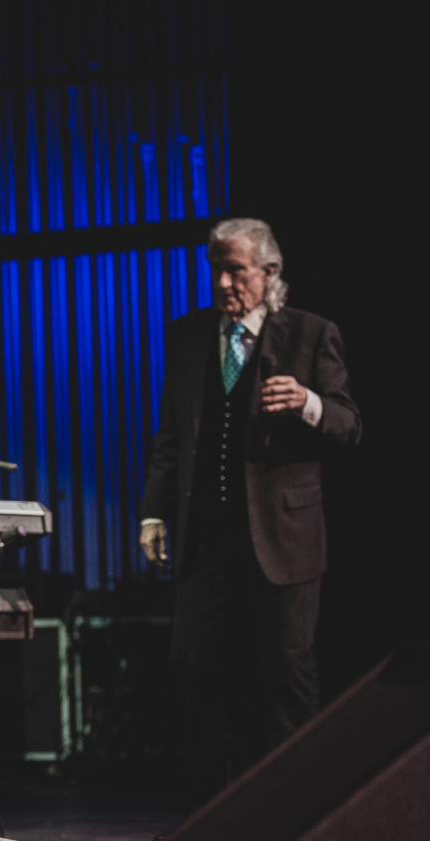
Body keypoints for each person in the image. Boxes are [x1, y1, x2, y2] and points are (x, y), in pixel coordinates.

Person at [139, 217, 360, 799]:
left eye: (234, 270)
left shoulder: (311, 335)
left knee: (286, 673)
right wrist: (153, 513)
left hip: (283, 536)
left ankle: (298, 807)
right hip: (207, 538)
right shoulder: (188, 337)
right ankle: (212, 809)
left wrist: (308, 402)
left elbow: (349, 424)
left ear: (269, 272)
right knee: (191, 666)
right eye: (215, 270)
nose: (221, 283)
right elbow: (172, 434)